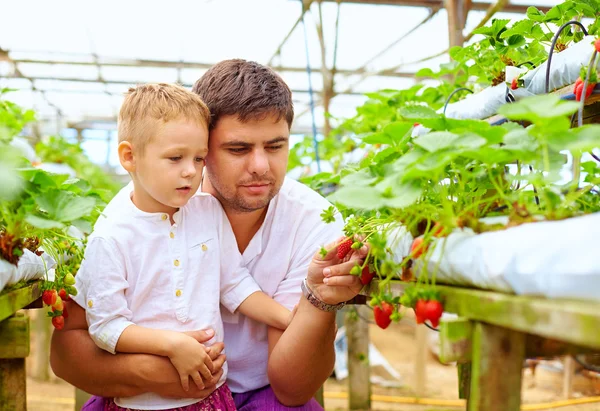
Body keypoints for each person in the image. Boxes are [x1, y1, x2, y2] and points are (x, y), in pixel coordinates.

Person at [51, 59, 364, 411]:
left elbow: (290, 387)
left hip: (260, 393)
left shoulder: (312, 221)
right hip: (142, 393)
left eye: (275, 147)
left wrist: (316, 303)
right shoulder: (140, 209)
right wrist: (158, 370)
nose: (260, 166)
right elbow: (67, 353)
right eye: (238, 149)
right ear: (205, 142)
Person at [75, 83, 295, 411]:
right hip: (142, 403)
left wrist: (289, 320)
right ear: (129, 156)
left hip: (211, 394)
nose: (190, 171)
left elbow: (234, 283)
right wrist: (173, 345)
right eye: (175, 158)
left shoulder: (207, 212)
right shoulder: (111, 237)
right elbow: (105, 326)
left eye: (199, 158)